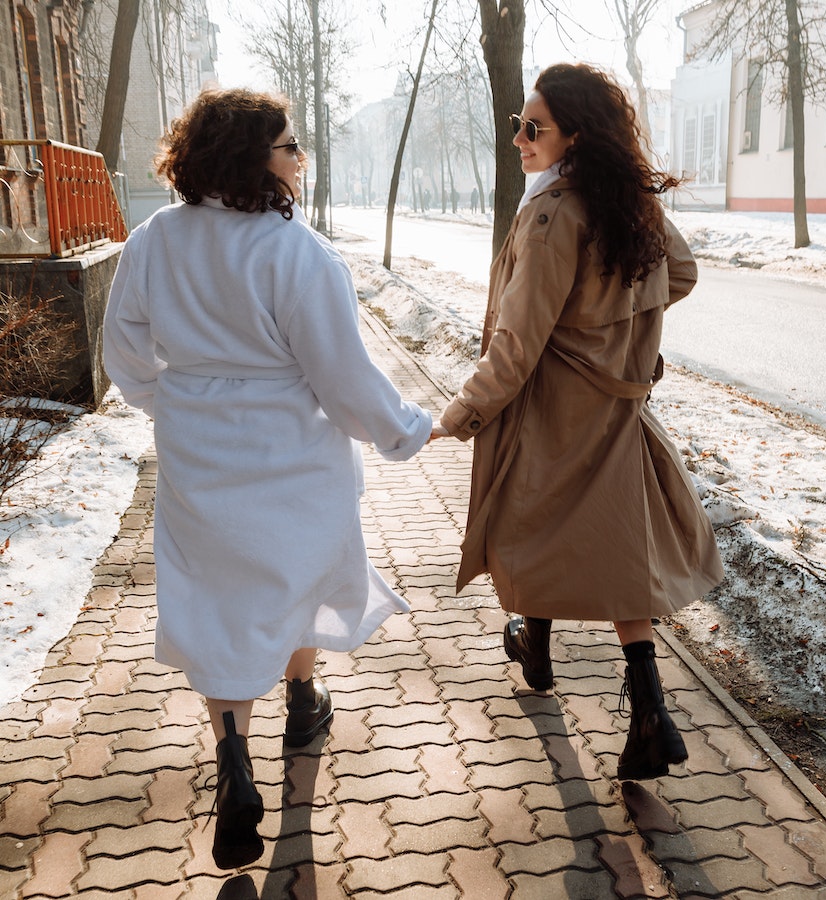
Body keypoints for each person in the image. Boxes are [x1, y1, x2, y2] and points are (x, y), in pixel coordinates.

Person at [103, 88, 432, 869]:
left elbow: (124, 355)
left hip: (199, 461)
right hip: (292, 456)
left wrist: (177, 403)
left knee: (221, 602)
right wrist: (406, 429)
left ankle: (235, 757)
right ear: (253, 156)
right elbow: (343, 377)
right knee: (296, 579)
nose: (297, 159)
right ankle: (301, 703)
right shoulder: (295, 252)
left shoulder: (153, 241)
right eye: (288, 146)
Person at [430, 63, 723, 781]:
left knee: (527, 525)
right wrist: (613, 322)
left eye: (535, 129)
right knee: (618, 554)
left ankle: (541, 650)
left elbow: (518, 342)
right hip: (615, 411)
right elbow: (678, 274)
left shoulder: (554, 213)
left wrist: (460, 414)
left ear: (574, 137)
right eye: (517, 125)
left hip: (552, 409)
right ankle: (643, 706)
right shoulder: (627, 203)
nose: (520, 140)